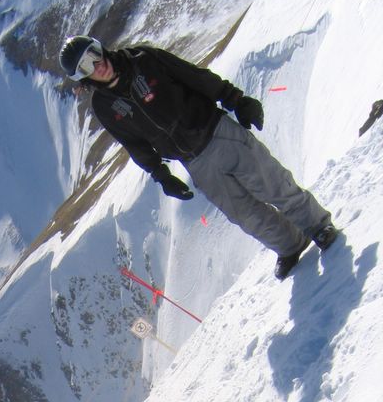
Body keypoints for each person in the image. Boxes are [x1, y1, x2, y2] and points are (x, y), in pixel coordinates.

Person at [59, 36, 338, 280]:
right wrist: (161, 175)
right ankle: (290, 245)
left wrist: (236, 100)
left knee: (272, 183)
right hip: (192, 160)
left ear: (100, 47)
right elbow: (134, 144)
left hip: (217, 131)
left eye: (93, 54)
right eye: (86, 67)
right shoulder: (104, 106)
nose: (97, 65)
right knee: (243, 213)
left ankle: (318, 226)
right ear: (83, 78)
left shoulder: (143, 59)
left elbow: (194, 76)